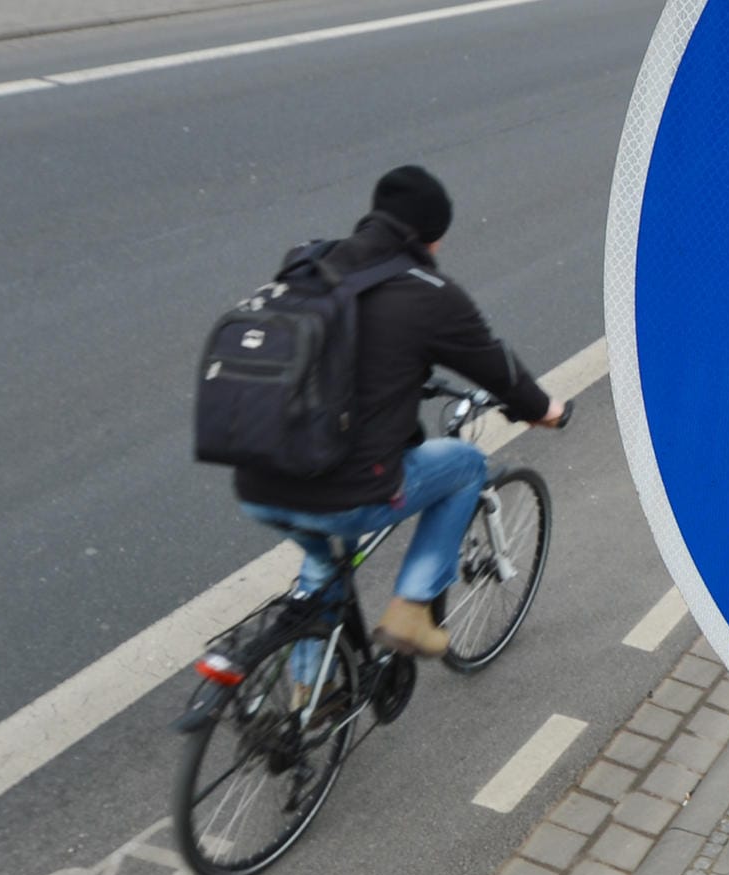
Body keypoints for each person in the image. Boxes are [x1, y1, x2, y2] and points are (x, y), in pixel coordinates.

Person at [235, 165, 568, 659]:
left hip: (258, 481)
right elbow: (498, 370)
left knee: (324, 561)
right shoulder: (427, 294)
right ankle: (410, 611)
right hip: (345, 495)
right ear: (430, 237)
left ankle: (306, 702)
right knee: (467, 465)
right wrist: (545, 411)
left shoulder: (308, 263)